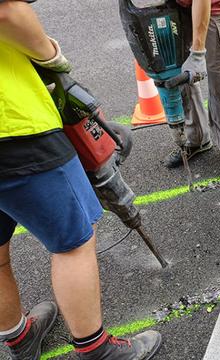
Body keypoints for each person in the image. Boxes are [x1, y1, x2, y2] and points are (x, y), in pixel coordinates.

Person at [0, 1, 161, 358]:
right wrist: (50, 54)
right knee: (73, 243)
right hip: (13, 127)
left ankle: (18, 335)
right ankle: (95, 348)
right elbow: (7, 12)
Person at [169, 0, 220, 180]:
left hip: (216, 12)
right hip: (179, 11)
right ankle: (197, 139)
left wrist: (197, 53)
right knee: (184, 81)